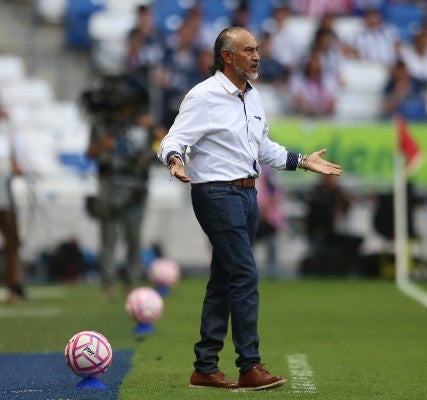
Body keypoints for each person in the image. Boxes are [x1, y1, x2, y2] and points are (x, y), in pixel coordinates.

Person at [157, 27, 343, 390]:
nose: (257, 56)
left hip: (246, 195)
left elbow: (264, 148)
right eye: (248, 50)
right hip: (216, 193)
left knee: (225, 279)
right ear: (227, 56)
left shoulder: (253, 96)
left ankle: (205, 366)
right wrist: (175, 161)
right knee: (244, 274)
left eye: (257, 49)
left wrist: (303, 160)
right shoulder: (204, 95)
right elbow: (173, 139)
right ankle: (249, 365)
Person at [83, 76, 157, 299]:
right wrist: (101, 145)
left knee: (133, 235)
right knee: (109, 236)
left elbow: (158, 152)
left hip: (136, 185)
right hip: (109, 183)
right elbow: (89, 153)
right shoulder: (101, 125)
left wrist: (156, 134)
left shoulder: (144, 125)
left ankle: (131, 282)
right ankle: (108, 283)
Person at [0, 106, 26, 302]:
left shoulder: (6, 133)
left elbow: (11, 162)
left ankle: (14, 285)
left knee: (12, 242)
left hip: (5, 197)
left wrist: (16, 168)